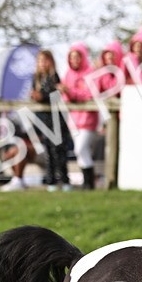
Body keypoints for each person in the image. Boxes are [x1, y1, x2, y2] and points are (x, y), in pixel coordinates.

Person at [25, 49, 70, 191]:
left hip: (56, 119)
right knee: (49, 151)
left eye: (45, 60)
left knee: (59, 150)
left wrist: (42, 96)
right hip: (43, 119)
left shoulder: (54, 76)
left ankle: (65, 181)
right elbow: (36, 94)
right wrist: (34, 96)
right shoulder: (36, 78)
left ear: (50, 61)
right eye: (40, 61)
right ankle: (50, 181)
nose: (42, 63)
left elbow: (54, 94)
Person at [60, 43, 100, 190]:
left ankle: (89, 180)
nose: (74, 60)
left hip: (88, 120)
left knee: (80, 149)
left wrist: (71, 93)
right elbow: (65, 98)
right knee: (82, 151)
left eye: (77, 57)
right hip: (74, 120)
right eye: (72, 58)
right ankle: (88, 183)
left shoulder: (91, 73)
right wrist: (67, 93)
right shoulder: (68, 74)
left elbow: (89, 94)